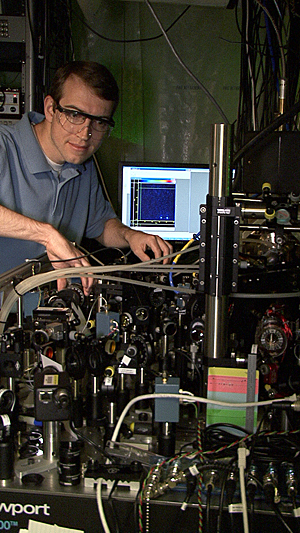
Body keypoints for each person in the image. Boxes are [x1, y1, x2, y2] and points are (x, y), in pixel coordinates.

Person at [0, 60, 172, 295]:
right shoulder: (4, 146)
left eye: (99, 122)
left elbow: (100, 225)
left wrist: (130, 235)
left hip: (43, 317)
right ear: (50, 109)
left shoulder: (82, 165)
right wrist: (47, 235)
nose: (85, 134)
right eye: (75, 115)